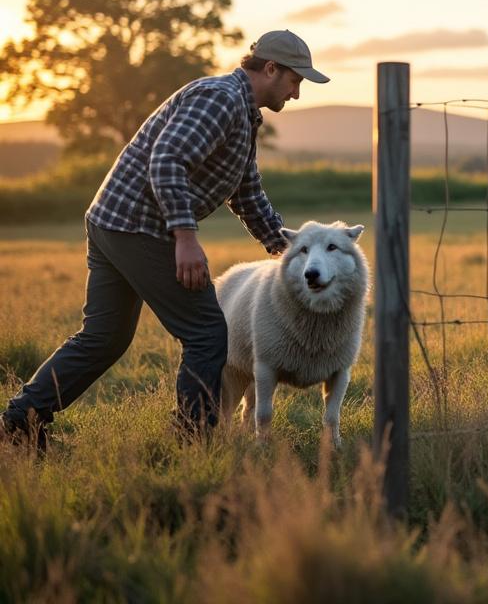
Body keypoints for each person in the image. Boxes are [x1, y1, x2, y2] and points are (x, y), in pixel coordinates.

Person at [2, 29, 329, 449]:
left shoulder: (243, 114)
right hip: (138, 225)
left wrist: (288, 249)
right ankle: (194, 442)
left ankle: (17, 424)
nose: (297, 93)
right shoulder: (220, 99)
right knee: (208, 331)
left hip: (113, 221)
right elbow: (168, 160)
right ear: (270, 69)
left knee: (105, 338)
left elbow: (246, 191)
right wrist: (186, 237)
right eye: (295, 80)